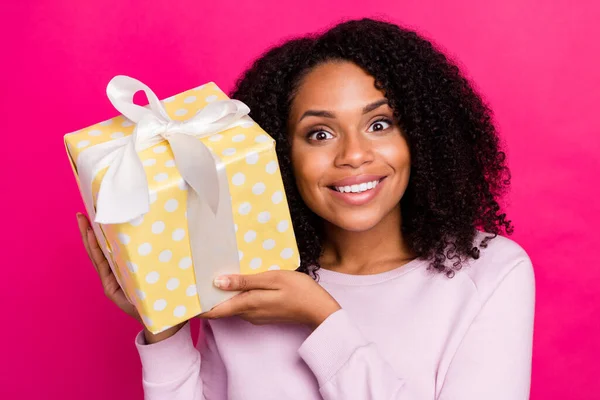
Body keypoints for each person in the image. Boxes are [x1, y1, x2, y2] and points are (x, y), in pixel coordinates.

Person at [76, 17, 535, 399]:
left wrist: (323, 318)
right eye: (320, 133)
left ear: (420, 137)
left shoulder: (491, 274)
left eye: (379, 124)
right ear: (280, 153)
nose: (353, 155)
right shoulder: (247, 276)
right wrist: (164, 325)